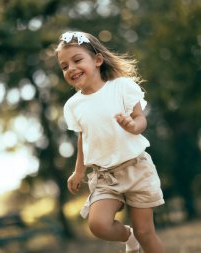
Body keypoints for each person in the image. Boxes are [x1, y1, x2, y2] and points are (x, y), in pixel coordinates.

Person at [55, 31, 165, 253]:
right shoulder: (73, 106)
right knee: (98, 224)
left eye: (77, 60)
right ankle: (128, 237)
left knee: (146, 232)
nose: (71, 69)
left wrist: (133, 126)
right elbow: (83, 138)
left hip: (137, 168)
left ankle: (138, 237)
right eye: (65, 66)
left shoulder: (121, 87)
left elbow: (140, 118)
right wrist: (78, 172)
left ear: (97, 60)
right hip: (106, 176)